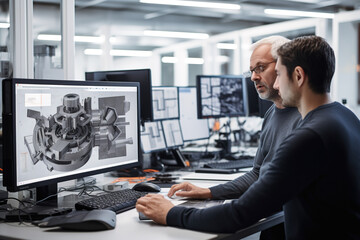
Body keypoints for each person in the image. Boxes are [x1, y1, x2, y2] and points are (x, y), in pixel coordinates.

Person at [136, 36, 360, 239]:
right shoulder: (345, 117)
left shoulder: (308, 137)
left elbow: (239, 214)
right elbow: (262, 176)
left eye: (279, 74)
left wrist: (171, 213)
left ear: (298, 76)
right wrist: (210, 192)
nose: (275, 84)